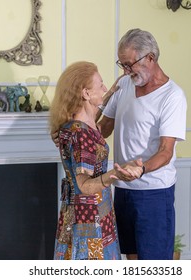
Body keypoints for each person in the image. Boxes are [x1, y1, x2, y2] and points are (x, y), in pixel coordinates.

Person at [97, 28, 187, 260]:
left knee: (154, 264)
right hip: (123, 189)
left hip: (154, 192)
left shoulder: (172, 97)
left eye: (130, 64)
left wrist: (141, 168)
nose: (126, 70)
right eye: (122, 64)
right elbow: (102, 129)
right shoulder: (125, 84)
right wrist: (75, 130)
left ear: (151, 58)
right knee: (132, 258)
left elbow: (166, 151)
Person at [49, 61, 142, 260]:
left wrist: (110, 93)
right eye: (100, 84)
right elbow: (84, 186)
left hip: (95, 212)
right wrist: (117, 174)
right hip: (88, 217)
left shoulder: (79, 125)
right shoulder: (80, 135)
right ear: (85, 94)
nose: (105, 87)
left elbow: (95, 132)